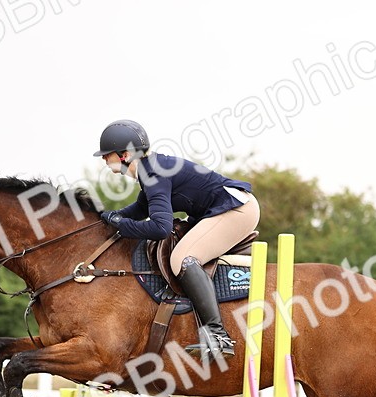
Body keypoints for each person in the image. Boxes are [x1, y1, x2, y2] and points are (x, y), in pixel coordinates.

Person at [93, 119, 260, 359]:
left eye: (106, 154)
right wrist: (106, 218)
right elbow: (140, 209)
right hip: (228, 208)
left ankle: (218, 335)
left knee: (182, 259)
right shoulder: (151, 170)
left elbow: (161, 228)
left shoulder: (153, 173)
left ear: (125, 155)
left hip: (237, 209)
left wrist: (121, 224)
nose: (103, 159)